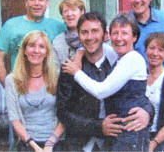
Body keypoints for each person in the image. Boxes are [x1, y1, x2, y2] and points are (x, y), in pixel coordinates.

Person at [62, 13, 153, 151]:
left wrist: (147, 112)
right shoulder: (71, 67)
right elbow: (63, 112)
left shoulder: (123, 59)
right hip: (83, 143)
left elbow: (139, 96)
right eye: (84, 32)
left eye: (95, 31)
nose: (119, 38)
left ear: (104, 35)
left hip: (122, 139)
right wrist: (98, 127)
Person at [0, 0, 66, 87]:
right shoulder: (11, 25)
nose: (37, 3)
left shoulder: (58, 27)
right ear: (26, 2)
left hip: (51, 90)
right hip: (22, 88)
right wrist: (9, 88)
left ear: (47, 3)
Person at [5, 31, 64, 151]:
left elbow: (66, 115)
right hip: (27, 144)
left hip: (56, 143)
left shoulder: (59, 77)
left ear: (46, 52)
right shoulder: (11, 80)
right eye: (32, 45)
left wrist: (49, 144)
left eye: (41, 47)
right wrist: (34, 147)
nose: (36, 50)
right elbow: (14, 119)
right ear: (25, 50)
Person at [52, 0, 85, 68]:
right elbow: (54, 72)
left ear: (82, 12)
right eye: (65, 11)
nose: (69, 14)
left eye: (73, 10)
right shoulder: (58, 42)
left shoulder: (93, 36)